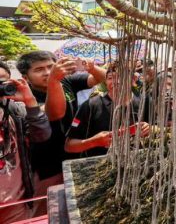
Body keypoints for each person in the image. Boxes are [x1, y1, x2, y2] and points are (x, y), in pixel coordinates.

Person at [16, 50, 106, 209]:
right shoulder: (24, 97)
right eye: (39, 70)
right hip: (47, 165)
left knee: (80, 204)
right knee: (51, 208)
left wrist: (91, 68)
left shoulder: (67, 81)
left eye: (51, 67)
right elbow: (56, 113)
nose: (47, 72)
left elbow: (101, 78)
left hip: (76, 153)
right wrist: (54, 79)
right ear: (25, 77)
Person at [0, 62, 51, 223]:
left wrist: (30, 102)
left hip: (14, 204)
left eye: (1, 81)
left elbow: (42, 136)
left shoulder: (15, 111)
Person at [65, 62, 151, 157]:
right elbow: (69, 146)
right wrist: (94, 142)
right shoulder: (90, 105)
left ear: (133, 79)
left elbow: (162, 129)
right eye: (111, 78)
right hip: (99, 167)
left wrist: (150, 128)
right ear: (105, 81)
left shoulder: (145, 101)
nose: (116, 81)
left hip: (137, 165)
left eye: (122, 77)